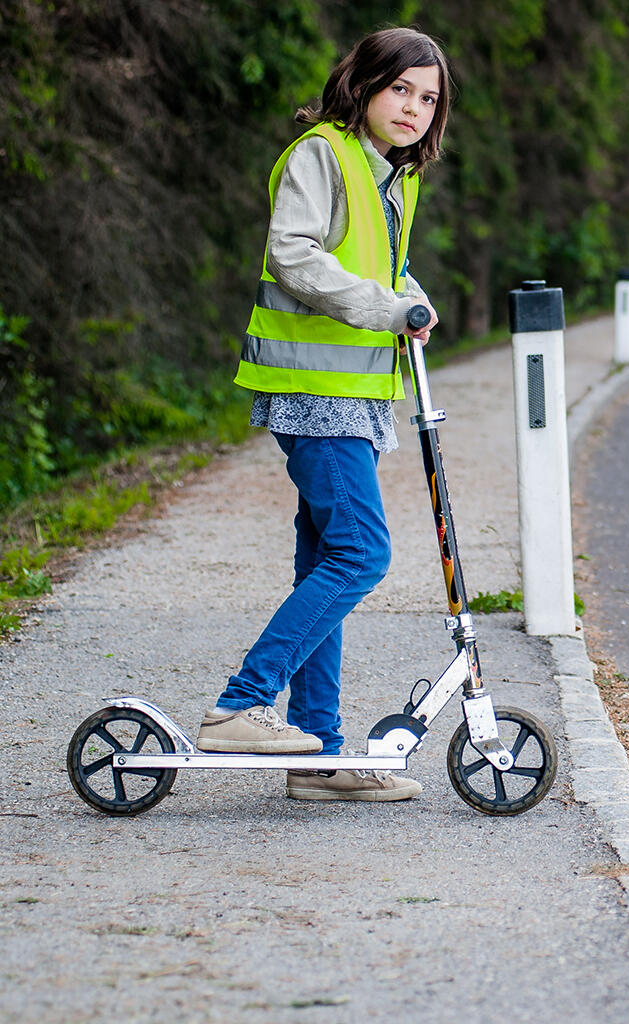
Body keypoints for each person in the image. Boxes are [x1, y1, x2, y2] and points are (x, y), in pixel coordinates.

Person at [194, 27, 451, 803]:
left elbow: (382, 267)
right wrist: (387, 306)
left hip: (357, 397)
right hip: (315, 392)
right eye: (401, 89)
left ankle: (318, 753)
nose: (413, 108)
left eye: (429, 98)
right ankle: (242, 704)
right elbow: (295, 255)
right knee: (361, 555)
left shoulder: (395, 179)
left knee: (324, 561)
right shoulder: (322, 153)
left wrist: (414, 297)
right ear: (366, 84)